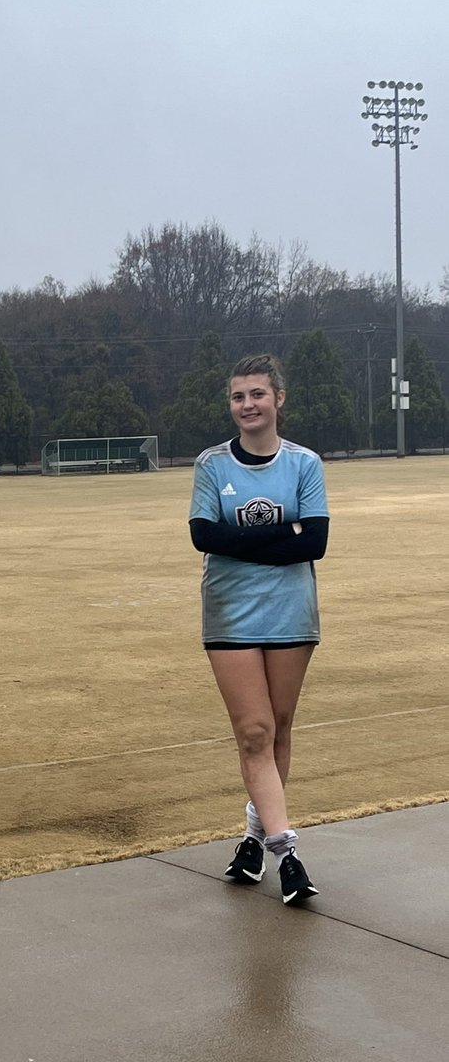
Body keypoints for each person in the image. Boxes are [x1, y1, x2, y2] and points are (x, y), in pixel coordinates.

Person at [188, 353, 329, 906]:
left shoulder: (304, 463)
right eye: (238, 396)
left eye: (257, 394)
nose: (247, 405)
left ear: (278, 399)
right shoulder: (212, 465)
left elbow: (315, 542)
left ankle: (251, 840)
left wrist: (241, 541)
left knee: (279, 729)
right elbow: (204, 537)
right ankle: (286, 853)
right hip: (230, 615)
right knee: (254, 732)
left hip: (291, 613)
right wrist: (282, 534)